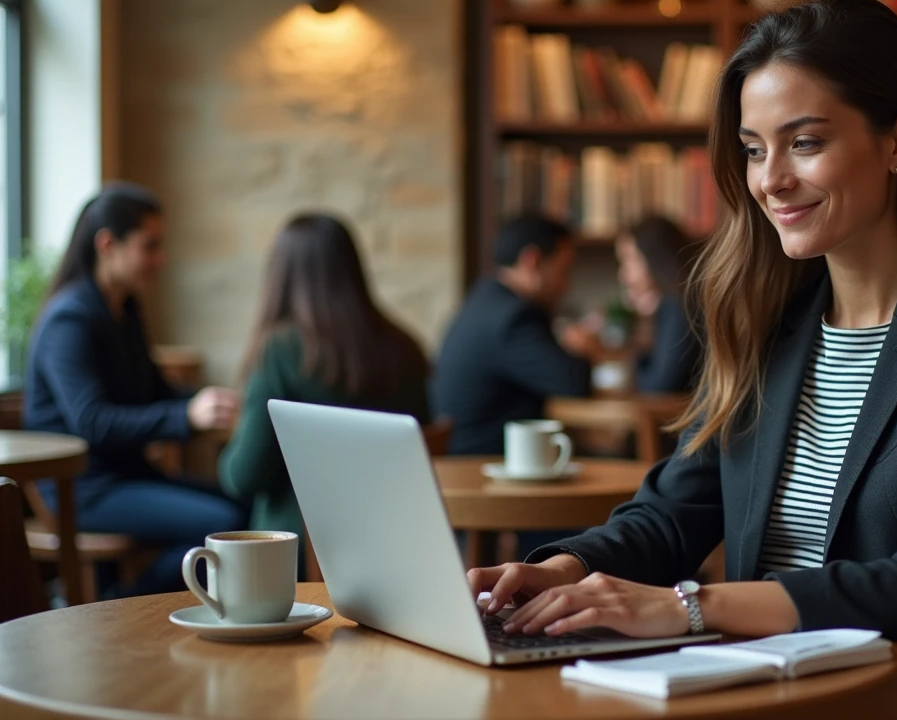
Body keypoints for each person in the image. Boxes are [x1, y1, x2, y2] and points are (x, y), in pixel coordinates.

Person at [468, 0, 897, 719]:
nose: (769, 180)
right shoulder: (764, 318)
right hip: (775, 697)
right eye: (753, 147)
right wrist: (557, 570)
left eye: (804, 142)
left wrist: (689, 608)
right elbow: (675, 512)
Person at [23, 183, 246, 597]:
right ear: (107, 244)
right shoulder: (68, 322)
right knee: (223, 524)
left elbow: (155, 389)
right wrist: (185, 417)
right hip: (83, 490)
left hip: (126, 475)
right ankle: (119, 606)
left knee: (244, 505)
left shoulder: (125, 309)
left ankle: (130, 600)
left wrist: (208, 403)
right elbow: (91, 422)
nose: (161, 260)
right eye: (150, 246)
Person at [218, 213, 431, 558]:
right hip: (396, 544)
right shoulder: (404, 346)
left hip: (305, 553)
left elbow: (245, 476)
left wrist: (231, 441)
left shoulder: (281, 351)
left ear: (281, 275)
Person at [432, 214, 591, 455]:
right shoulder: (513, 318)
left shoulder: (484, 300)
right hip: (482, 465)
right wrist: (585, 348)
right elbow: (573, 383)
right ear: (533, 261)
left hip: (464, 456)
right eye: (563, 270)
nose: (566, 284)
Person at [615, 216, 701, 394]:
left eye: (629, 260)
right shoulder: (680, 302)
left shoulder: (678, 306)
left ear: (656, 259)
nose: (623, 275)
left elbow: (657, 388)